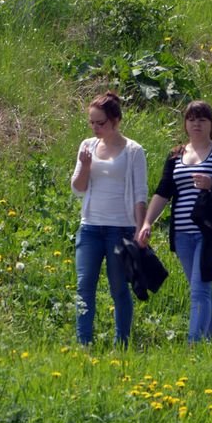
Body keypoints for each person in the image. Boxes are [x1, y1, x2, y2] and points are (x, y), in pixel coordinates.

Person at [138, 100, 212, 343]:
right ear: (185, 124)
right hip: (183, 235)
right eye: (192, 119)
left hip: (211, 234)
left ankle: (193, 345)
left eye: (202, 119)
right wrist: (147, 222)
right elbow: (163, 192)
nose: (197, 124)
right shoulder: (175, 155)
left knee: (199, 290)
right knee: (201, 289)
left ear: (211, 124)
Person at [70, 92, 148, 346]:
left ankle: (122, 344)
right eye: (91, 122)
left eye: (100, 123)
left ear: (116, 120)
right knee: (84, 286)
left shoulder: (133, 151)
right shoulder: (87, 146)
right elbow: (78, 188)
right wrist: (84, 166)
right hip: (90, 227)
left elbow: (139, 193)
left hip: (121, 229)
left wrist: (141, 228)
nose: (95, 128)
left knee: (118, 288)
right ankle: (84, 343)